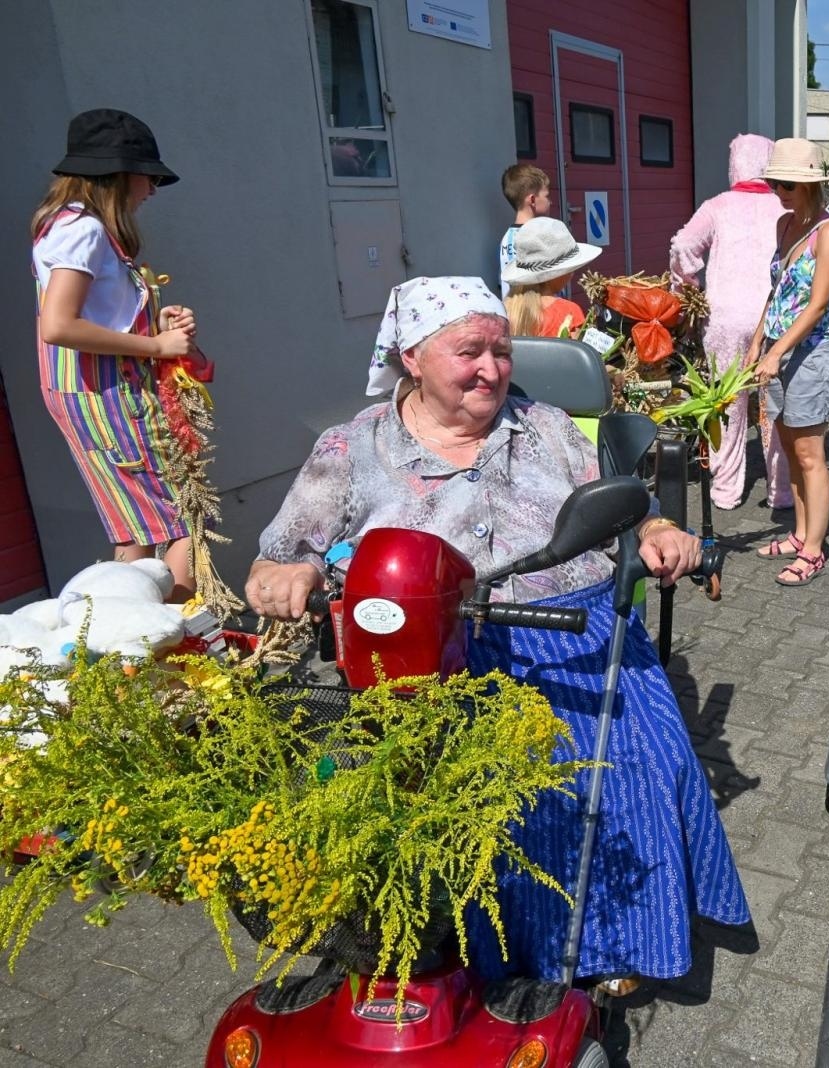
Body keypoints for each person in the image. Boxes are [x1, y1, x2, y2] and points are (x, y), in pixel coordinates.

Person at [253, 277, 749, 990]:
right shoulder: (351, 449)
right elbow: (276, 559)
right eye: (469, 353)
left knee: (634, 764)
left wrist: (662, 528)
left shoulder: (545, 426)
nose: (491, 369)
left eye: (501, 350)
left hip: (575, 636)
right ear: (412, 357)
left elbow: (629, 513)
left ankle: (614, 944)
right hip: (432, 657)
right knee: (453, 790)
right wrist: (283, 579)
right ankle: (475, 955)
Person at [31, 108, 201, 602]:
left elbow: (99, 315)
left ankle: (135, 652)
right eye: (147, 177)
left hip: (93, 392)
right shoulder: (83, 230)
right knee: (184, 518)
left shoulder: (65, 225)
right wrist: (155, 346)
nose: (151, 190)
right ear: (120, 174)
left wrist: (157, 325)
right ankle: (179, 644)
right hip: (106, 395)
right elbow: (59, 325)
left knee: (137, 526)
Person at [669, 134, 791, 510]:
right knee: (774, 408)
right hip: (775, 318)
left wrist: (686, 285)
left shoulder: (717, 206)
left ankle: (725, 490)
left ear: (733, 164)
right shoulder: (784, 208)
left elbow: (683, 245)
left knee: (726, 403)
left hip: (724, 318)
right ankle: (781, 491)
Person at [745, 139, 829, 587]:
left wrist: (776, 349)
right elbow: (779, 292)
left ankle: (814, 549)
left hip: (812, 352)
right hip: (779, 350)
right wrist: (756, 342)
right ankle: (800, 532)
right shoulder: (785, 225)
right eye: (774, 182)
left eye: (786, 183)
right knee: (788, 448)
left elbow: (817, 303)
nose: (778, 190)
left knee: (810, 454)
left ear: (809, 185)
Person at [503, 218, 602, 338]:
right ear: (554, 275)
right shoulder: (568, 312)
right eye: (570, 268)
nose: (572, 272)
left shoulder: (505, 310)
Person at [498, 163, 551, 298]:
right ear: (532, 200)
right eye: (546, 196)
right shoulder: (534, 237)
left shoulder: (507, 238)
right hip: (536, 314)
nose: (550, 202)